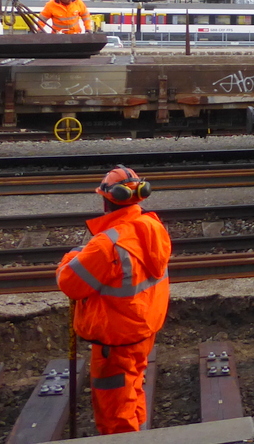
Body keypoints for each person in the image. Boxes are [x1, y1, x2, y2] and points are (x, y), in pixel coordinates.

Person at [57, 166, 171, 435]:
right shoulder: (154, 227)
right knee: (132, 386)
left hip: (116, 339)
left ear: (106, 199)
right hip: (144, 330)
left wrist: (71, 257)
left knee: (114, 409)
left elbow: (69, 283)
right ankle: (139, 431)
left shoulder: (106, 244)